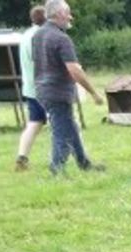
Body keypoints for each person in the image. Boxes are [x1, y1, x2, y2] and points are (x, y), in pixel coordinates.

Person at [33, 0, 105, 176]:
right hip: (57, 91)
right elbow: (74, 69)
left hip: (42, 89)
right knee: (62, 131)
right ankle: (56, 169)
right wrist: (94, 93)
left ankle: (84, 163)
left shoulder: (39, 35)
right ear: (58, 14)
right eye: (68, 13)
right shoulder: (61, 38)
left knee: (69, 126)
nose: (70, 16)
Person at [15, 5, 47, 171]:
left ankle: (22, 156)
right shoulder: (42, 36)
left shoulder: (25, 35)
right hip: (45, 87)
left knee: (34, 123)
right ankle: (76, 156)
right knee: (64, 123)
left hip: (30, 87)